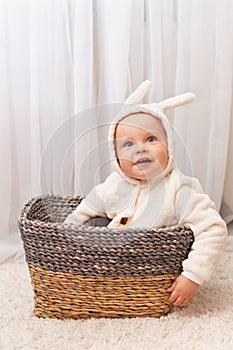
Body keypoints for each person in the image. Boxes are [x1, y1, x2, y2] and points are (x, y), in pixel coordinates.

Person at [64, 80, 227, 307]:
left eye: (151, 139)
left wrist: (192, 276)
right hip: (112, 266)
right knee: (95, 225)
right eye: (128, 144)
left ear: (169, 146)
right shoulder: (114, 184)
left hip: (152, 271)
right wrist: (66, 235)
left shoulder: (179, 189)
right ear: (117, 157)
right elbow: (85, 209)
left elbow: (213, 229)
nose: (140, 148)